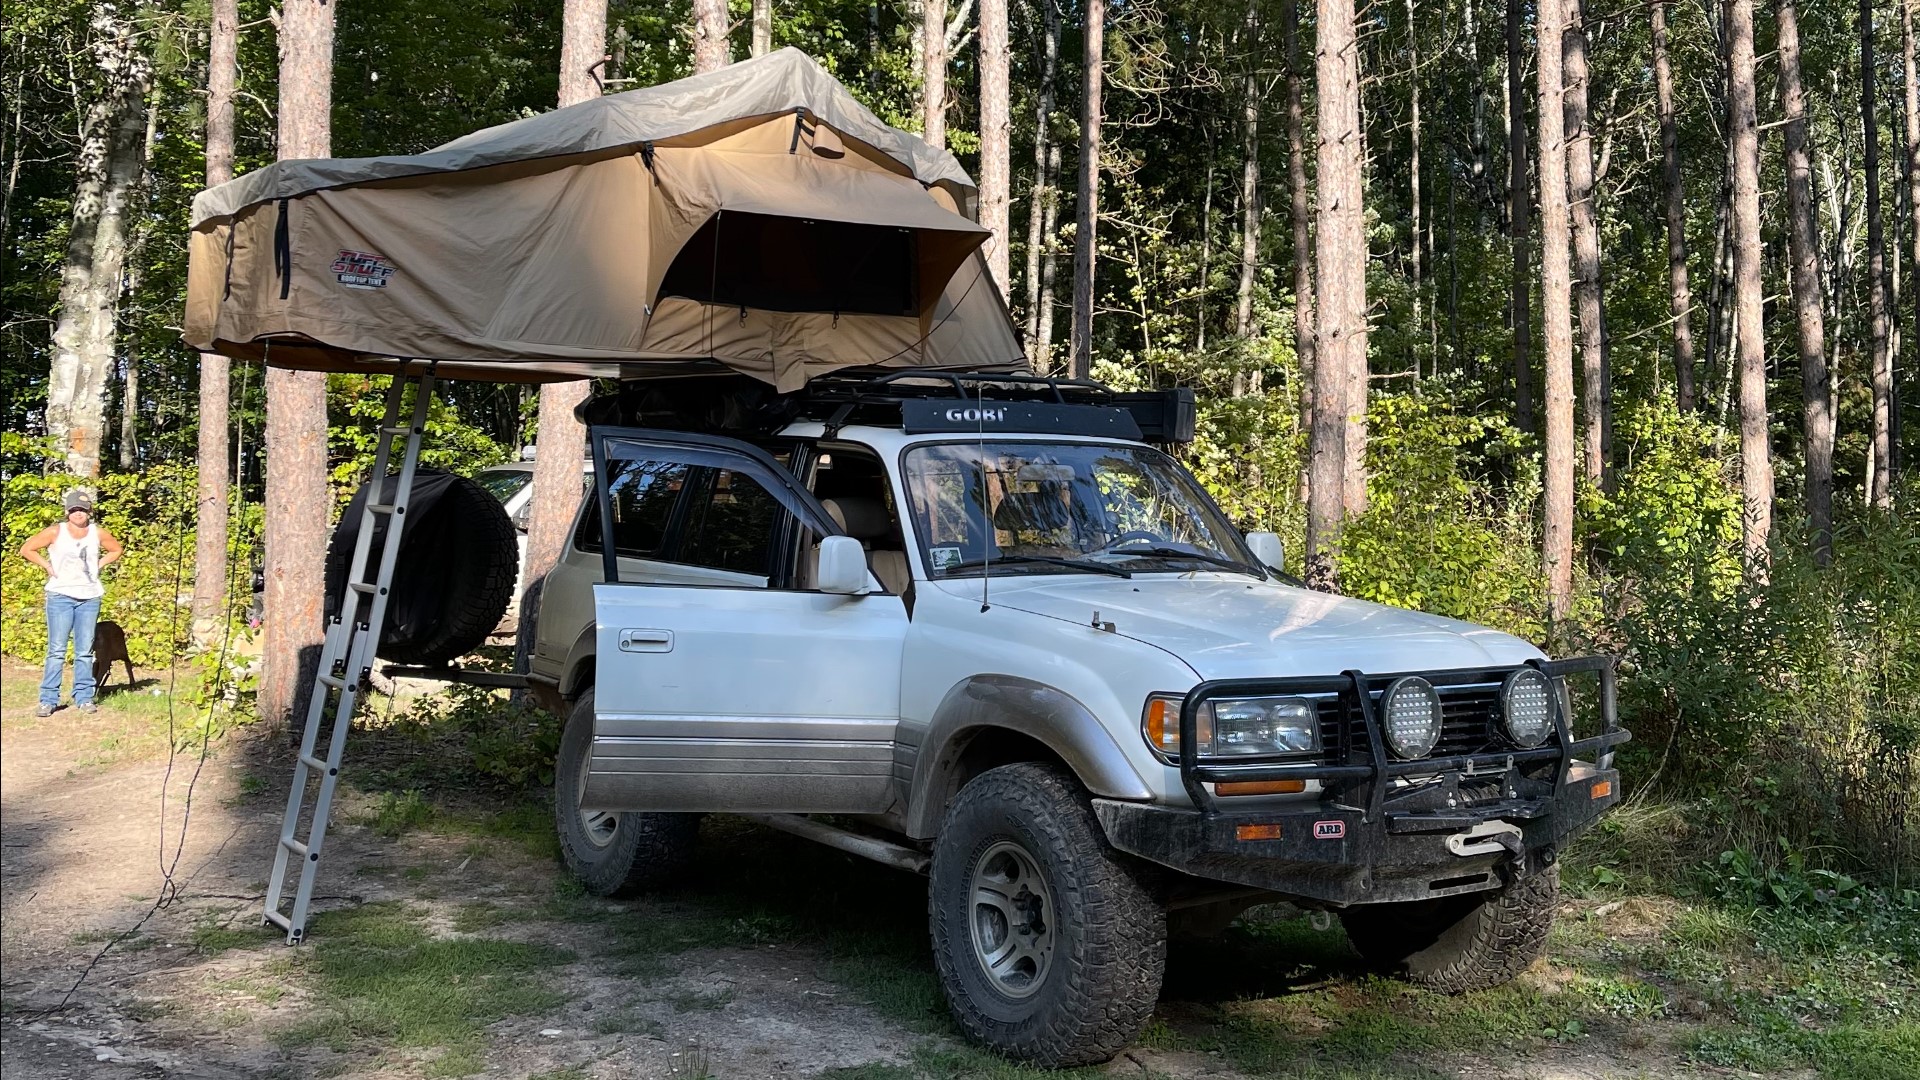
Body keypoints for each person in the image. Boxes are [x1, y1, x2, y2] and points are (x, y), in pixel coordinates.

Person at [19, 489, 123, 716]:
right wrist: (47, 566)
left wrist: (99, 564)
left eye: (83, 510)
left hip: (89, 597)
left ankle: (84, 697)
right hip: (60, 597)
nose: (79, 513)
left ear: (89, 512)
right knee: (56, 650)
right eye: (75, 509)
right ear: (68, 511)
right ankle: (48, 699)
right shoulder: (55, 531)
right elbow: (27, 549)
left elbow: (116, 549)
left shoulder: (98, 533)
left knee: (84, 651)